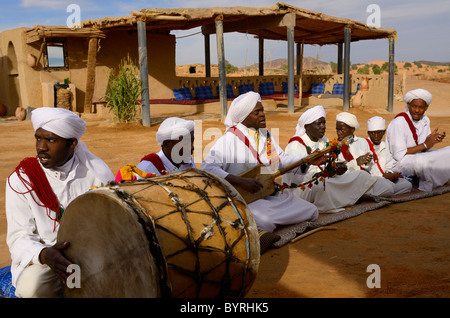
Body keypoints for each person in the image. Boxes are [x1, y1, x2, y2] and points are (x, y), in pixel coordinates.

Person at [5, 107, 115, 298]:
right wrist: (45, 254)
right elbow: (19, 237)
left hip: (92, 255)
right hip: (46, 261)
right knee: (34, 289)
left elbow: (110, 223)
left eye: (51, 140)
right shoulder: (22, 180)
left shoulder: (95, 174)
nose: (41, 147)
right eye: (38, 138)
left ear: (72, 143)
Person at [201, 92, 324, 235]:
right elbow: (208, 167)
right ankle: (258, 229)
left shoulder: (265, 135)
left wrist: (306, 160)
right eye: (257, 112)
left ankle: (265, 229)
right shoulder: (229, 139)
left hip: (269, 193)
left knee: (311, 211)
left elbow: (280, 161)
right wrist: (240, 181)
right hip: (247, 198)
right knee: (264, 221)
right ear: (244, 117)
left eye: (262, 110)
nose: (262, 114)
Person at [282, 106, 377, 213]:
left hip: (325, 180)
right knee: (323, 184)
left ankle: (340, 200)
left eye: (324, 123)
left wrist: (335, 169)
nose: (323, 127)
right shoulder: (295, 145)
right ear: (307, 126)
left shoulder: (324, 141)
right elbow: (294, 179)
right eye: (319, 124)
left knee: (361, 175)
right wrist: (321, 174)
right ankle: (335, 202)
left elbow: (328, 168)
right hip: (301, 189)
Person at [386, 89, 450, 191]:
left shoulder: (425, 120)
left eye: (420, 107)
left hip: (418, 155)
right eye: (414, 106)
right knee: (422, 161)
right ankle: (426, 187)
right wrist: (425, 144)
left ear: (426, 108)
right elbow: (399, 155)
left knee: (448, 151)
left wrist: (432, 141)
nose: (416, 110)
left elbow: (424, 149)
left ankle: (441, 178)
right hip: (399, 163)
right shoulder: (399, 122)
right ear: (408, 105)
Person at [115, 117, 196, 181]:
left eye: (192, 142)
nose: (192, 147)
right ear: (167, 144)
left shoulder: (188, 161)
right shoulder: (146, 169)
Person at [335, 112, 395, 197]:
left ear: (352, 129)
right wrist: (356, 163)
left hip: (366, 179)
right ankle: (361, 195)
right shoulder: (334, 147)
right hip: (349, 181)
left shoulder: (362, 142)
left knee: (393, 187)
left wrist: (366, 161)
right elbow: (339, 171)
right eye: (337, 129)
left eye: (342, 129)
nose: (338, 133)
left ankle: (361, 195)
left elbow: (369, 166)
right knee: (388, 188)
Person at [365, 116, 412, 195]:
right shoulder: (364, 145)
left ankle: (384, 193)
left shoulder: (384, 146)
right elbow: (365, 170)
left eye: (379, 132)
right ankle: (384, 192)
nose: (376, 136)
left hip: (385, 180)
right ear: (368, 133)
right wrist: (384, 176)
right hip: (372, 180)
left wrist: (391, 174)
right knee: (387, 187)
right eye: (373, 133)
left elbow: (389, 165)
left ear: (384, 132)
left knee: (407, 185)